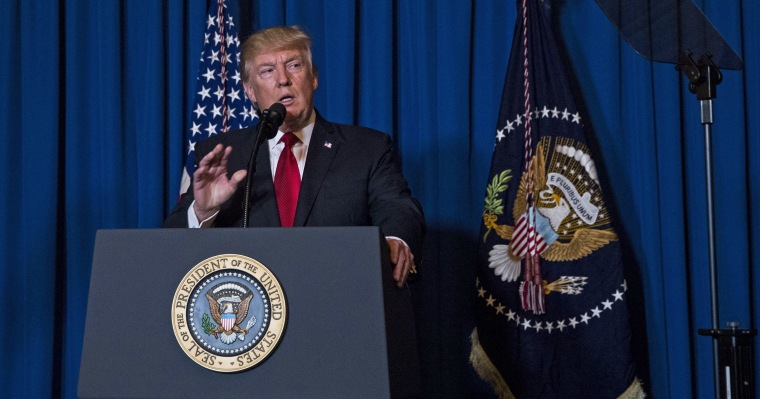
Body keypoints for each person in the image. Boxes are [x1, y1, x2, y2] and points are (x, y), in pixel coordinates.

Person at [163, 26, 425, 288]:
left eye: (294, 65)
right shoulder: (220, 156)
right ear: (250, 91)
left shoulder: (366, 148)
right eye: (267, 71)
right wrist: (203, 211)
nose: (283, 79)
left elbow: (398, 207)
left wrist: (394, 241)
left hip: (338, 296)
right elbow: (168, 246)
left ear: (313, 78)